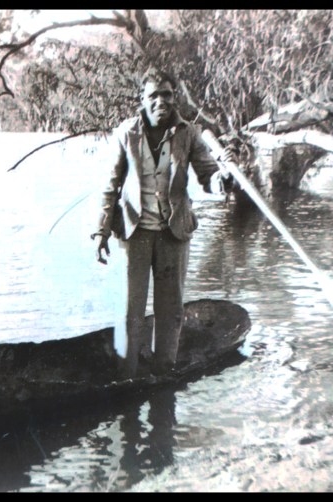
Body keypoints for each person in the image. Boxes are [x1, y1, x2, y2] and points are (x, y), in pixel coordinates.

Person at [92, 67, 233, 378]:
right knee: (131, 312)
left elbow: (208, 175)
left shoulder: (189, 133)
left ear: (175, 98)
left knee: (170, 314)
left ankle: (163, 373)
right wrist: (102, 230)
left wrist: (222, 182)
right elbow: (110, 184)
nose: (161, 101)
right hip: (134, 232)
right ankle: (127, 375)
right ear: (142, 99)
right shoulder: (126, 133)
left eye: (167, 95)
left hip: (174, 232)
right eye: (153, 95)